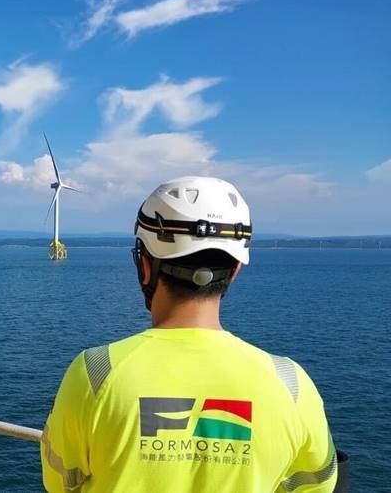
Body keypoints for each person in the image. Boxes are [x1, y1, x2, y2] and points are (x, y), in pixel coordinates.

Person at [41, 176, 338, 492]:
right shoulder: (290, 383)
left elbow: (59, 481)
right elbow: (317, 485)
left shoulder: (95, 372)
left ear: (144, 265)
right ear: (235, 270)